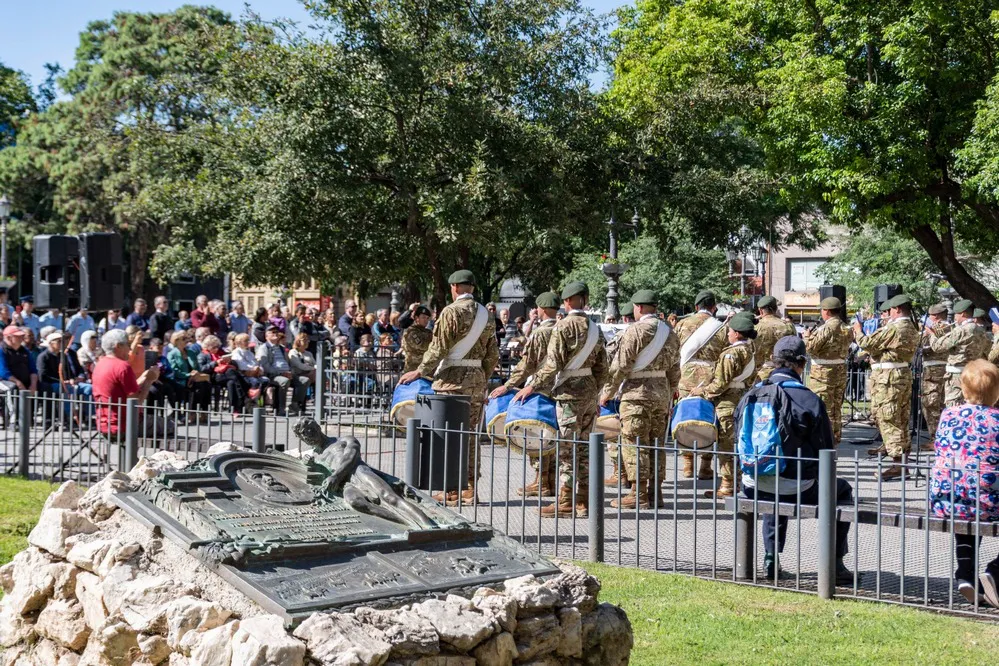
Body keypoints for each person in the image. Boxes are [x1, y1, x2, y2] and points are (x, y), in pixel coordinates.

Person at [739, 336, 856, 584]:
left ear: (774, 361)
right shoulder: (809, 399)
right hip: (797, 486)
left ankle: (771, 557)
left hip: (751, 484)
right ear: (800, 364)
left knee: (773, 485)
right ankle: (835, 562)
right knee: (842, 490)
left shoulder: (752, 394)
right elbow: (826, 450)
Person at [399, 270, 500, 506]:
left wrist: (420, 371)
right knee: (471, 435)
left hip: (452, 380)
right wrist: (481, 378)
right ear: (472, 288)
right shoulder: (486, 314)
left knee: (450, 436)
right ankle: (470, 487)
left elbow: (438, 348)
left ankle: (453, 489)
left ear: (454, 287)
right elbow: (492, 354)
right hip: (475, 378)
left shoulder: (450, 312)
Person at [513, 281, 607, 518]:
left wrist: (531, 385)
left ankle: (566, 501)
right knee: (584, 449)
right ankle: (583, 500)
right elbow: (603, 367)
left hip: (568, 394)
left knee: (566, 449)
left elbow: (553, 364)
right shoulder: (595, 328)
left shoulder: (562, 327)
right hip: (588, 393)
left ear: (566, 301)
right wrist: (595, 391)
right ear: (584, 299)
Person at [927, 360, 999, 605]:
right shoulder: (996, 420)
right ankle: (995, 571)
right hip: (987, 500)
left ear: (963, 389)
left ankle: (965, 574)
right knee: (980, 497)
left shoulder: (948, 415)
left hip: (947, 498)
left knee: (967, 504)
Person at [600, 289, 680, 509]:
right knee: (657, 444)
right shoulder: (670, 333)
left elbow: (621, 365)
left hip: (637, 394)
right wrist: (670, 394)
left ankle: (638, 494)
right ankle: (656, 493)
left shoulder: (635, 331)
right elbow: (675, 369)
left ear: (640, 307)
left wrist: (607, 392)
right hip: (661, 393)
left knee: (635, 443)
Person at [490, 292, 560, 497]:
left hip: (539, 388)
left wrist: (508, 385)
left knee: (535, 434)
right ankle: (550, 480)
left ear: (543, 309)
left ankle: (542, 481)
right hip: (560, 388)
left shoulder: (541, 332)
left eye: (537, 308)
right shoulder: (561, 328)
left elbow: (527, 364)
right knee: (552, 434)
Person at [690, 311, 757, 498]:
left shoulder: (731, 353)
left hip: (727, 403)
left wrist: (701, 391)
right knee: (740, 443)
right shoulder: (750, 350)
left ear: (737, 333)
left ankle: (728, 486)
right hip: (743, 400)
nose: (727, 334)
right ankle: (737, 482)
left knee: (726, 446)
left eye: (729, 331)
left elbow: (720, 384)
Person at [853, 294, 920, 479]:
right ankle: (903, 461)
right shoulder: (912, 328)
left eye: (889, 310)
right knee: (902, 419)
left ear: (897, 309)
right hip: (902, 376)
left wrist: (858, 330)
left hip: (888, 379)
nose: (887, 314)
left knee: (888, 419)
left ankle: (898, 464)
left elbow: (867, 342)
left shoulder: (895, 327)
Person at [673, 290, 728, 480]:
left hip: (686, 375)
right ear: (714, 307)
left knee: (685, 416)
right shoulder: (721, 327)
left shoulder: (682, 324)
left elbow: (674, 350)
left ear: (696, 307)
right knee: (709, 418)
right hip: (710, 377)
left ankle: (687, 463)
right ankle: (705, 466)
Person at [803, 296, 853, 445]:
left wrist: (807, 337)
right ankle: (835, 438)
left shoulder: (826, 328)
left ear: (826, 311)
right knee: (836, 408)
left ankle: (825, 442)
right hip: (840, 370)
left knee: (823, 408)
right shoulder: (846, 327)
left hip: (823, 373)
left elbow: (810, 348)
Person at [92, 330, 160, 436]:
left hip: (104, 423)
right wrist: (149, 381)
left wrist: (144, 377)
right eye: (128, 345)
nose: (130, 349)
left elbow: (122, 391)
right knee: (169, 425)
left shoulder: (100, 364)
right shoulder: (123, 366)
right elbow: (136, 402)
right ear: (118, 346)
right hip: (126, 425)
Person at [929, 299, 991, 408]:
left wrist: (932, 334)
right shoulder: (981, 330)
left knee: (954, 408)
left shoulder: (961, 330)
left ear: (963, 313)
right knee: (971, 406)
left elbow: (937, 347)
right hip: (973, 374)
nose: (955, 318)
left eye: (956, 315)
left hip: (957, 376)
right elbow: (987, 352)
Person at [919, 303, 952, 449]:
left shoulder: (937, 328)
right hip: (945, 368)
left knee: (930, 404)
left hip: (933, 369)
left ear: (936, 317)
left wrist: (925, 334)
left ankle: (936, 438)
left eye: (931, 316)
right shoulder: (952, 328)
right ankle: (944, 436)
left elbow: (927, 347)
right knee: (942, 404)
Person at [198, 335, 247, 416]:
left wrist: (230, 361)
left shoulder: (221, 353)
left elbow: (234, 363)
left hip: (225, 376)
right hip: (213, 376)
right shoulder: (203, 355)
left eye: (217, 346)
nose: (216, 349)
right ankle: (246, 389)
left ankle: (233, 409)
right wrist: (215, 363)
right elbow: (201, 368)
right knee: (231, 372)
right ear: (207, 346)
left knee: (231, 382)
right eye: (214, 347)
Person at [256, 324, 298, 416]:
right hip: (272, 375)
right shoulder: (264, 348)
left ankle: (295, 406)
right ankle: (280, 408)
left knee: (303, 380)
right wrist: (281, 373)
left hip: (286, 374)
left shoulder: (282, 348)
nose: (276, 334)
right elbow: (265, 366)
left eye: (277, 332)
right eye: (273, 332)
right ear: (267, 336)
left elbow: (289, 363)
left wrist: (290, 372)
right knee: (284, 381)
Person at [167, 330, 211, 418]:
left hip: (194, 378)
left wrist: (196, 373)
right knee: (196, 387)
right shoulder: (172, 354)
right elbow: (174, 371)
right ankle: (190, 413)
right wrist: (188, 375)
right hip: (180, 379)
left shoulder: (191, 353)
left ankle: (203, 412)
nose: (186, 341)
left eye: (187, 338)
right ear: (176, 340)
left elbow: (197, 367)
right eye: (183, 339)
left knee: (206, 384)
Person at [753, 296, 795, 382]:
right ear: (776, 309)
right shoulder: (788, 326)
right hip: (784, 372)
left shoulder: (755, 327)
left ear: (760, 310)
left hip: (760, 373)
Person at [0, 326, 38, 419]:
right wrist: (18, 383)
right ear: (9, 337)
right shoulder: (1, 350)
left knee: (43, 387)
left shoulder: (25, 351)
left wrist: (33, 384)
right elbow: (4, 372)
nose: (22, 338)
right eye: (18, 336)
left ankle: (30, 418)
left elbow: (33, 370)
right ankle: (13, 419)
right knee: (12, 388)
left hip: (22, 380)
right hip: (4, 381)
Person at [230, 333, 268, 402]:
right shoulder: (236, 352)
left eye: (248, 340)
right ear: (239, 342)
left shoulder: (249, 353)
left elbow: (257, 363)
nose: (248, 342)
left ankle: (260, 401)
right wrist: (253, 368)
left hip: (255, 374)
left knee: (266, 380)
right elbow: (241, 365)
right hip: (244, 375)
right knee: (255, 382)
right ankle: (251, 402)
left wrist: (259, 369)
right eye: (246, 341)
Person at [289, 332, 317, 412]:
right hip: (297, 374)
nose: (307, 342)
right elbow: (300, 365)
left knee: (319, 377)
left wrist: (314, 369)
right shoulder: (293, 352)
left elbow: (315, 364)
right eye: (304, 340)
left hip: (310, 374)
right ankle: (295, 403)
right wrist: (312, 369)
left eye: (307, 340)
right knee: (305, 380)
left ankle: (319, 401)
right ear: (298, 341)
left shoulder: (309, 353)